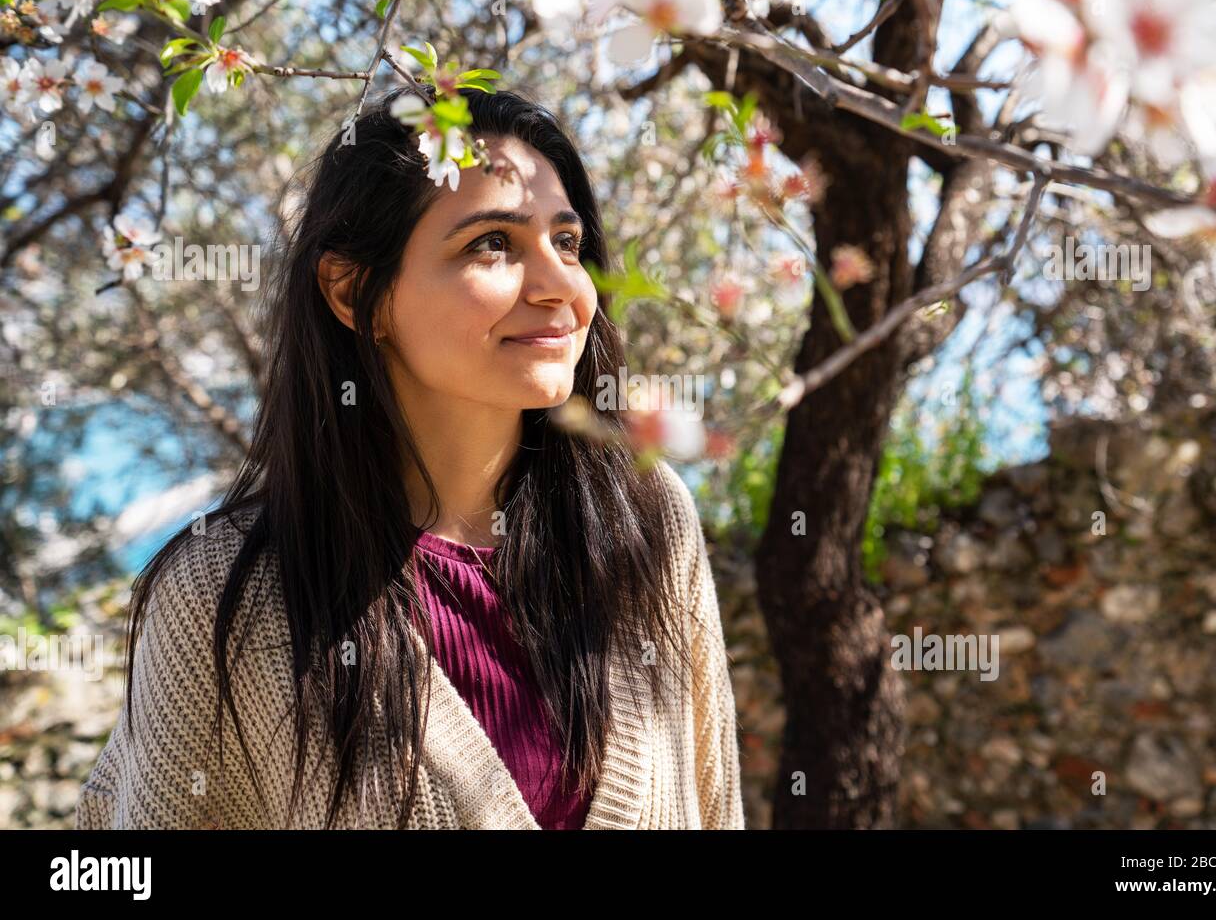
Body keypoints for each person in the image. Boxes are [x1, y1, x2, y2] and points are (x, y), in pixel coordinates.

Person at [74, 86, 744, 830]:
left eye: (566, 241)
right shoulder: (225, 597)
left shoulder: (647, 524)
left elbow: (717, 807)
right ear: (356, 291)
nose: (561, 286)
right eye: (493, 243)